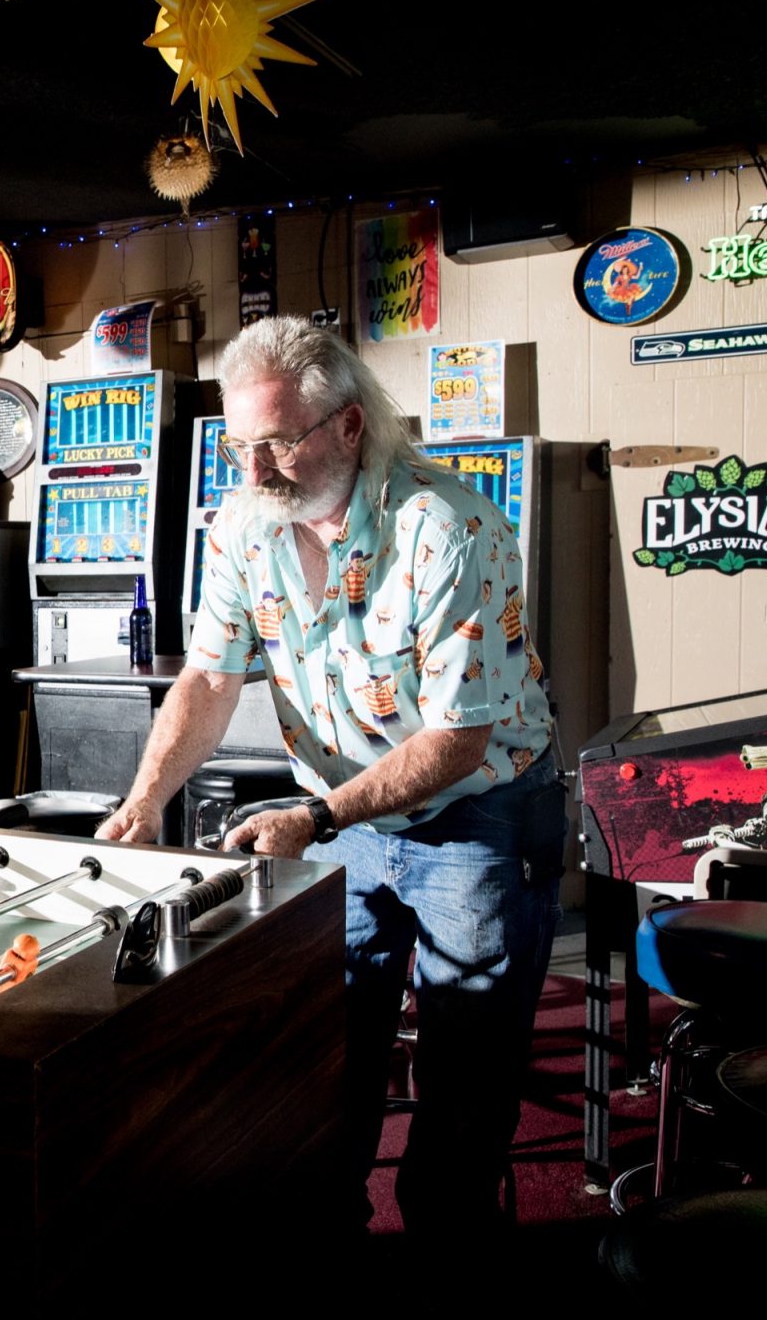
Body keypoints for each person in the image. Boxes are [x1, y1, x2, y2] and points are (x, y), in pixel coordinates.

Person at [97, 316, 565, 1233]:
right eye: (241, 446)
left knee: (464, 1077)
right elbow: (209, 673)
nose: (255, 470)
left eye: (276, 443)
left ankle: (451, 1254)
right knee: (322, 1051)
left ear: (349, 425)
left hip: (480, 812)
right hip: (345, 817)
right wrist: (146, 798)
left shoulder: (452, 526)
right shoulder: (243, 523)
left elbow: (455, 744)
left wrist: (316, 817)